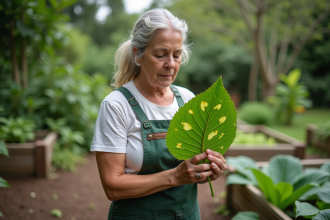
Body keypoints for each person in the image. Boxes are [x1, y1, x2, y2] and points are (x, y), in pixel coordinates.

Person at [91, 8, 227, 220]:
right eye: (160, 54)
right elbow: (113, 187)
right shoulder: (116, 106)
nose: (171, 64)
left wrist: (207, 171)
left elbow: (192, 168)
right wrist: (175, 176)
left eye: (177, 54)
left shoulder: (187, 99)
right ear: (138, 53)